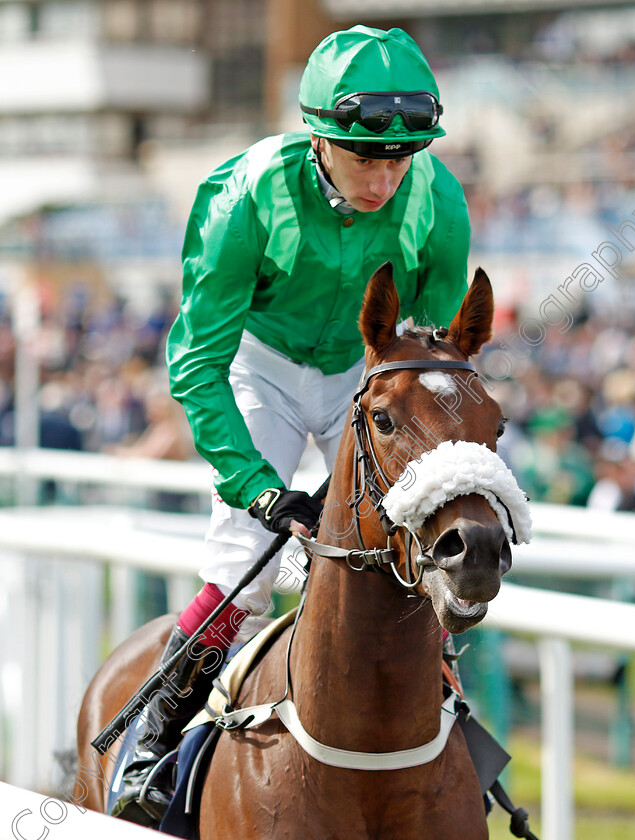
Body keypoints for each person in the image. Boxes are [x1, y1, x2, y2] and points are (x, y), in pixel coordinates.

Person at [113, 24, 470, 824]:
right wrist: (259, 490)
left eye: (400, 156)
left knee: (407, 539)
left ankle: (447, 708)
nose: (384, 178)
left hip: (362, 366)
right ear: (317, 138)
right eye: (365, 154)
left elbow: (438, 359)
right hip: (257, 364)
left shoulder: (436, 200)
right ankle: (153, 745)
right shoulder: (242, 194)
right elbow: (196, 363)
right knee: (246, 558)